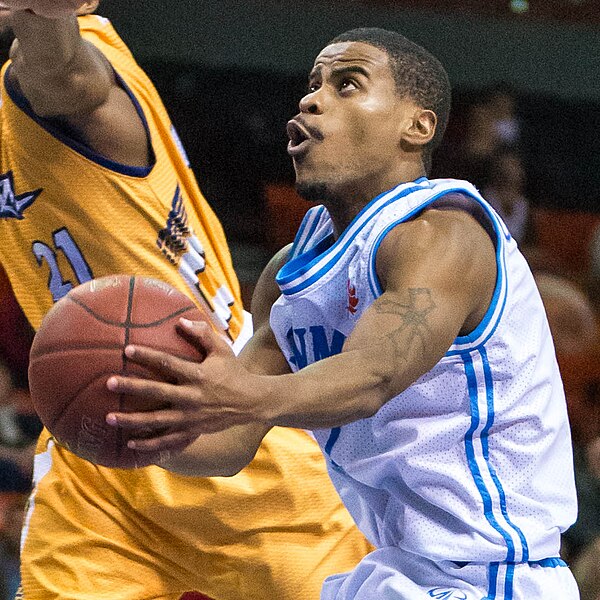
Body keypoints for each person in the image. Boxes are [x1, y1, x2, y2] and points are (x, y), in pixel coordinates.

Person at [105, 27, 581, 599]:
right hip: (395, 570)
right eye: (311, 85)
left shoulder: (442, 234)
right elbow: (229, 442)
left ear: (417, 127)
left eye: (348, 84)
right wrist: (129, 426)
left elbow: (371, 376)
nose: (311, 99)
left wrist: (237, 393)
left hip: (492, 575)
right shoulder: (291, 274)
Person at [0, 2, 371, 599]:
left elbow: (66, 79)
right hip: (98, 451)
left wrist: (40, 19)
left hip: (221, 421)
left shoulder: (54, 72)